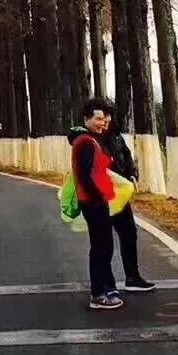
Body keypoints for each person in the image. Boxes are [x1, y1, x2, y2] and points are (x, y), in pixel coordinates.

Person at [68, 100, 123, 310]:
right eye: (98, 119)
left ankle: (105, 288)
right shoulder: (85, 142)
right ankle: (98, 294)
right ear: (86, 119)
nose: (102, 123)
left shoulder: (89, 139)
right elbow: (86, 176)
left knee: (102, 246)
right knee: (102, 248)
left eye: (103, 119)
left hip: (94, 200)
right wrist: (98, 195)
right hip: (93, 202)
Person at [100, 105, 155, 291]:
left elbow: (126, 155)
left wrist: (132, 174)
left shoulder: (116, 136)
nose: (105, 120)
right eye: (102, 117)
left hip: (121, 195)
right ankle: (105, 284)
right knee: (104, 241)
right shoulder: (92, 138)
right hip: (103, 196)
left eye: (108, 116)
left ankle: (132, 277)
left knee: (129, 234)